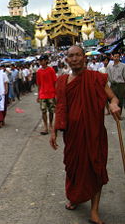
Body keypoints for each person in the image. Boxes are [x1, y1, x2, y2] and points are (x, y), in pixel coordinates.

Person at [50, 45, 120, 224]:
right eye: (70, 56)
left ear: (84, 58)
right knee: (73, 168)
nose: (74, 59)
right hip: (72, 136)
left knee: (95, 169)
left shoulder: (96, 78)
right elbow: (60, 107)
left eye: (77, 55)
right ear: (66, 59)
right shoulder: (62, 81)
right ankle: (75, 197)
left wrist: (113, 104)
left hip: (94, 133)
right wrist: (54, 131)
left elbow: (112, 97)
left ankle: (94, 211)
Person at [36, 55, 57, 135]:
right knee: (43, 111)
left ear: (46, 61)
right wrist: (38, 95)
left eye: (42, 60)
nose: (40, 62)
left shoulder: (51, 70)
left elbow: (55, 82)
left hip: (51, 93)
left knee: (51, 111)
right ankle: (45, 126)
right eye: (40, 60)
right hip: (42, 94)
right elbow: (39, 84)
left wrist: (56, 94)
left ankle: (51, 124)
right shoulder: (38, 72)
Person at [107, 51, 125, 117]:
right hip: (112, 84)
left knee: (120, 100)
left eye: (118, 57)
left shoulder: (123, 66)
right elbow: (108, 76)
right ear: (112, 57)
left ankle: (119, 115)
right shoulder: (110, 66)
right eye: (115, 56)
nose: (116, 58)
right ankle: (114, 112)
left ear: (119, 57)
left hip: (121, 85)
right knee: (112, 99)